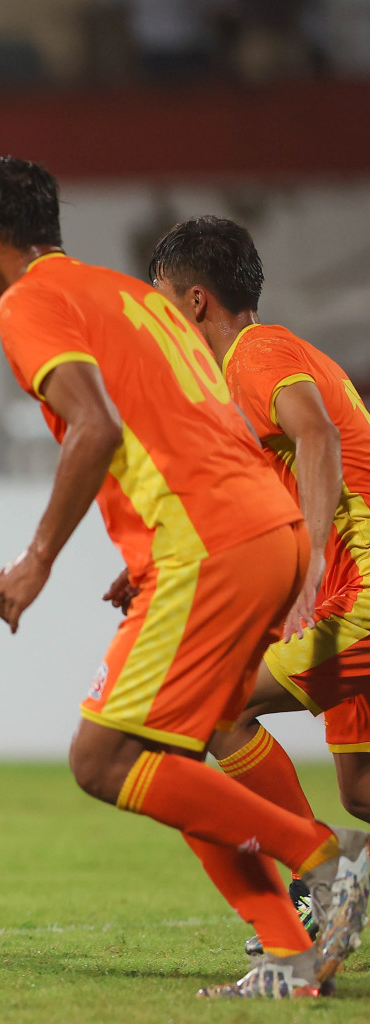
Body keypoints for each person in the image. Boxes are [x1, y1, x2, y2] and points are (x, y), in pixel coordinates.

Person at [0, 155, 368, 999]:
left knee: (102, 757)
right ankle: (290, 952)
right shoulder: (133, 297)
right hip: (264, 532)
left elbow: (96, 427)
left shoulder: (31, 300)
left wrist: (39, 560)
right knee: (174, 748)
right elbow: (200, 428)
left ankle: (322, 860)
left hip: (217, 547)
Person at [144, 215, 370, 952]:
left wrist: (304, 565)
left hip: (361, 591)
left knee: (220, 708)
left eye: (163, 299)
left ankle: (318, 878)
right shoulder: (251, 370)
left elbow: (318, 433)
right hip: (346, 587)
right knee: (360, 788)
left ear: (199, 302)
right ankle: (329, 871)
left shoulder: (254, 353)